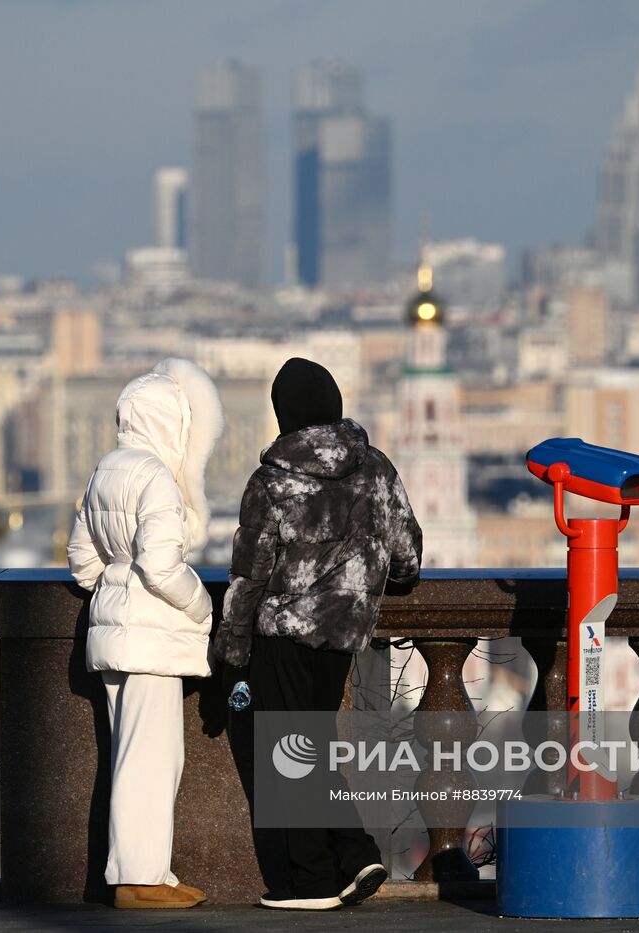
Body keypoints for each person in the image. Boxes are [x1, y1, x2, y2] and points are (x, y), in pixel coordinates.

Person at [214, 357, 423, 911]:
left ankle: (313, 883)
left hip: (281, 635)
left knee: (292, 757)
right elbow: (406, 558)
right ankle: (352, 856)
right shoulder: (375, 467)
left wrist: (231, 654)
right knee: (315, 745)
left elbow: (249, 575)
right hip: (344, 635)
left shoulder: (272, 479)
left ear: (284, 414)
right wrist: (365, 584)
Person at [67, 357, 224, 910]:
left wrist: (113, 587)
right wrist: (202, 606)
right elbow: (161, 568)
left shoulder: (107, 468)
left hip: (113, 636)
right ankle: (139, 880)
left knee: (136, 757)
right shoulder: (156, 476)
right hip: (152, 640)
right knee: (151, 762)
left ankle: (150, 871)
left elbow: (82, 562)